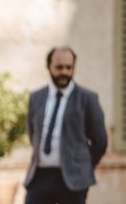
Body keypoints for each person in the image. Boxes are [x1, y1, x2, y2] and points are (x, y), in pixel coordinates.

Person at [24, 46, 107, 204]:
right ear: (49, 67)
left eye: (69, 67)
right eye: (59, 67)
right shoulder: (36, 97)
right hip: (40, 175)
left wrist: (83, 166)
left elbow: (100, 141)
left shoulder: (87, 98)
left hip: (73, 179)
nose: (64, 72)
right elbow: (33, 133)